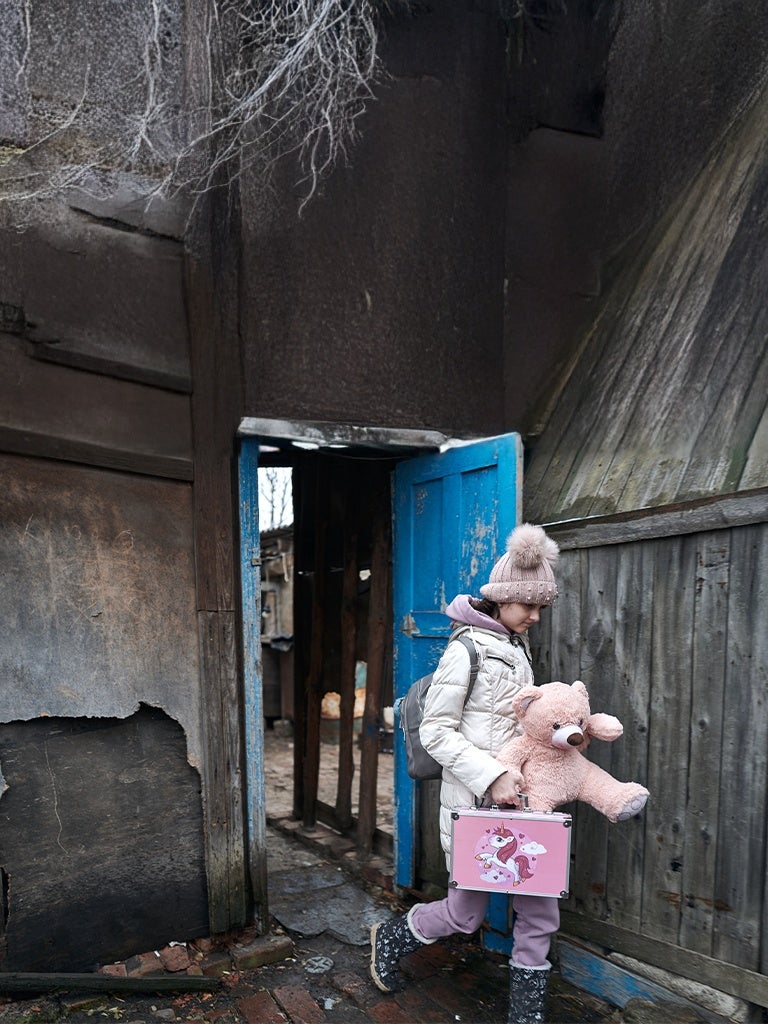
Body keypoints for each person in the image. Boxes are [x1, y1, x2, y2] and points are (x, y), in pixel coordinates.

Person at [370, 522, 560, 1024]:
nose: (536, 616)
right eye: (528, 606)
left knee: (540, 911)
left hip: (525, 805)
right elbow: (435, 731)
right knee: (465, 914)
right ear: (500, 600)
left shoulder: (517, 648)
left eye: (543, 606)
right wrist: (492, 776)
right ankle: (395, 933)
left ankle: (526, 1013)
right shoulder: (467, 649)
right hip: (477, 806)